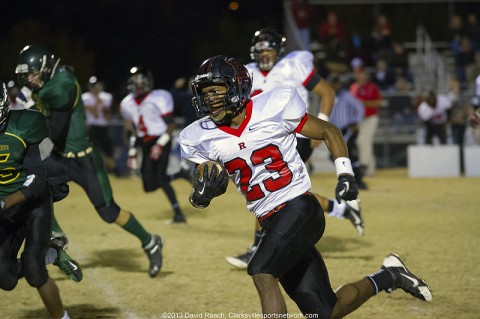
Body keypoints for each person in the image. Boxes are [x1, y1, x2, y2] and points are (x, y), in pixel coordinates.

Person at [180, 55, 432, 316]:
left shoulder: (274, 105)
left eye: (216, 90)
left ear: (237, 85)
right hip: (270, 222)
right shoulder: (199, 136)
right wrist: (200, 196)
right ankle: (390, 276)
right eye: (205, 93)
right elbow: (211, 180)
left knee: (261, 270)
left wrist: (345, 175)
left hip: (299, 207)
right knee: (326, 311)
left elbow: (328, 131)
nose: (210, 98)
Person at [14, 44, 164, 278]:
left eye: (31, 74)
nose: (29, 80)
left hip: (84, 160)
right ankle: (56, 234)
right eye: (26, 76)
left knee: (109, 213)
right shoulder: (48, 85)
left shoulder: (62, 85)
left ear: (43, 68)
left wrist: (33, 107)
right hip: (60, 157)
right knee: (31, 183)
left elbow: (54, 130)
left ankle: (150, 241)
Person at [226, 28, 364, 269]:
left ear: (278, 50)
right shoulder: (248, 73)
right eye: (261, 51)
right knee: (284, 194)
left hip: (296, 136)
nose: (265, 55)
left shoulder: (293, 66)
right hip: (266, 141)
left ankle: (257, 248)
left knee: (269, 190)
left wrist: (320, 128)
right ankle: (341, 208)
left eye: (269, 49)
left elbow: (327, 93)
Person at [0, 82, 71, 319]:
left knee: (33, 269)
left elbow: (37, 180)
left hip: (33, 203)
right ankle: (51, 252)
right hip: (5, 209)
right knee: (6, 279)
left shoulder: (22, 126)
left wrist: (4, 202)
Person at [120, 66, 187, 224]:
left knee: (161, 179)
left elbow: (170, 125)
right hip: (144, 141)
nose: (139, 84)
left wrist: (160, 144)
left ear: (149, 81)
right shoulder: (127, 103)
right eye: (136, 81)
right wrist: (132, 152)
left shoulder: (160, 96)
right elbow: (133, 130)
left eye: (141, 80)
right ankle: (179, 174)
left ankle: (178, 214)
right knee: (149, 185)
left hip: (161, 139)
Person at [328, 73, 367, 189]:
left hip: (346, 129)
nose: (336, 86)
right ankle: (351, 178)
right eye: (333, 83)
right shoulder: (329, 96)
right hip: (335, 130)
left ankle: (358, 180)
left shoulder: (345, 95)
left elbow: (359, 107)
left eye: (337, 83)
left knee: (348, 155)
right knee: (336, 156)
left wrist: (356, 122)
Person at [349, 68, 383, 178]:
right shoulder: (354, 87)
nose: (361, 77)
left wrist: (364, 103)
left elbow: (378, 103)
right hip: (358, 120)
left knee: (362, 141)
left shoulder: (372, 87)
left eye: (362, 75)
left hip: (371, 118)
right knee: (365, 143)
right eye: (359, 75)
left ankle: (364, 166)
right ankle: (370, 169)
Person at [82, 76, 116, 172]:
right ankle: (91, 170)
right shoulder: (86, 97)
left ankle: (113, 171)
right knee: (92, 151)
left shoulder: (106, 97)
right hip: (92, 127)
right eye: (95, 86)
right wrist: (98, 100)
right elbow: (95, 114)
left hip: (104, 127)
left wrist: (102, 104)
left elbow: (107, 115)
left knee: (108, 150)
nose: (97, 88)